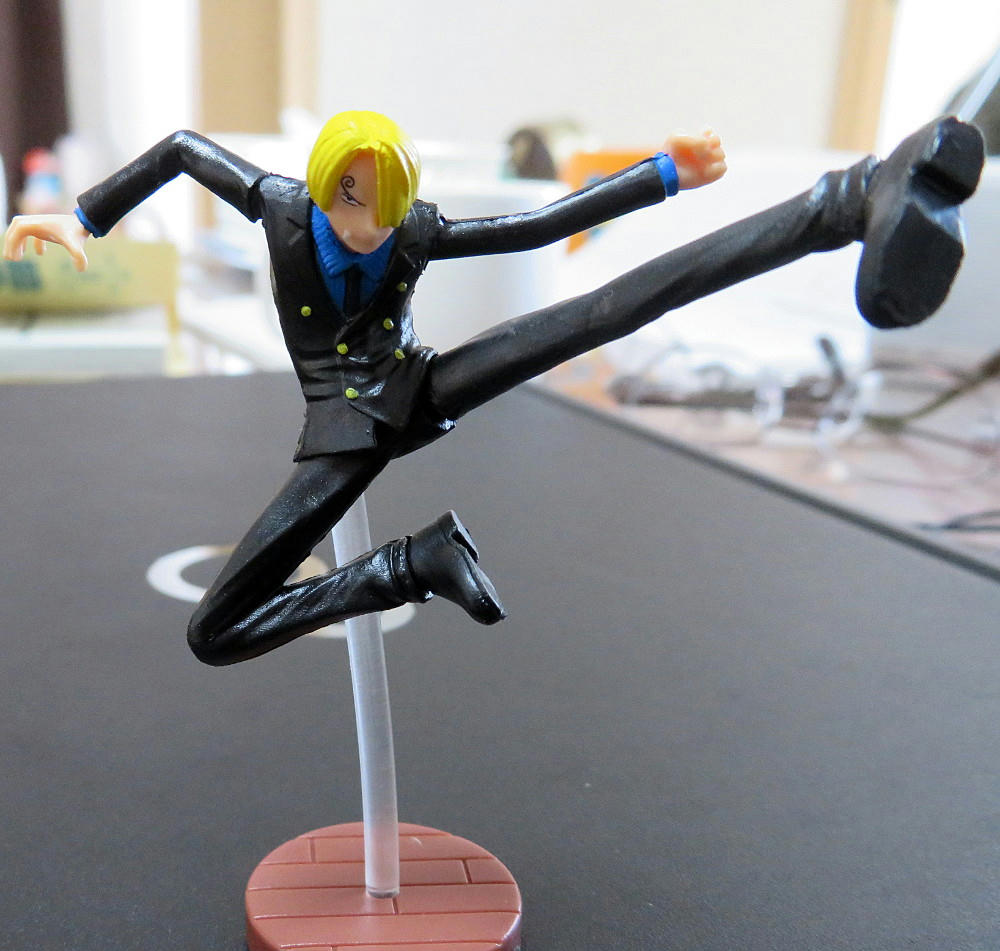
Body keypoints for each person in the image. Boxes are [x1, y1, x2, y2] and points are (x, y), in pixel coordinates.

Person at [2, 111, 982, 664]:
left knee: (601, 312)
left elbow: (540, 227)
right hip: (340, 433)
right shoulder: (278, 206)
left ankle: (850, 197)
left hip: (420, 387)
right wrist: (78, 219)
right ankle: (412, 564)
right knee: (214, 632)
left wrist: (661, 173)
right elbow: (180, 149)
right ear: (324, 181)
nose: (365, 222)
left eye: (383, 205)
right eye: (350, 197)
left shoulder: (415, 229)